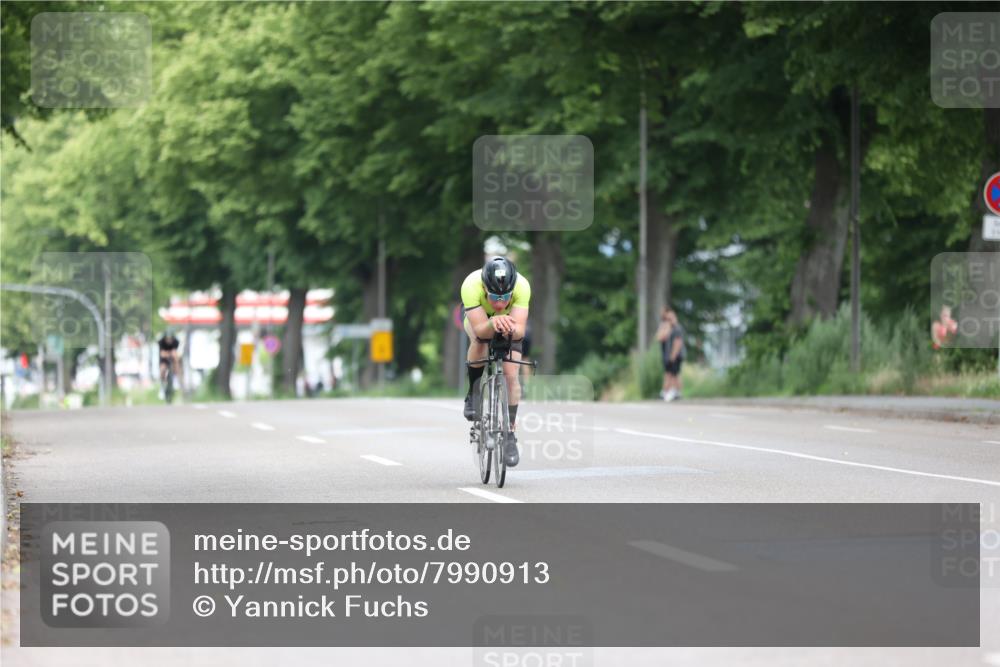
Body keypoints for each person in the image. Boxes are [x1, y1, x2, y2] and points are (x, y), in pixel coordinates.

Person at [461, 256, 531, 467]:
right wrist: (492, 322)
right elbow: (481, 330)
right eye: (494, 297)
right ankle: (474, 392)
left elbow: (520, 332)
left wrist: (509, 326)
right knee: (481, 342)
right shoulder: (471, 285)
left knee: (511, 375)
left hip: (510, 325)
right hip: (482, 322)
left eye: (505, 297)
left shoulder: (522, 286)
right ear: (484, 288)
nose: (500, 304)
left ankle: (510, 434)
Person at [656, 308, 684, 402]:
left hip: (675, 355)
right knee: (671, 373)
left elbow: (678, 343)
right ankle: (670, 391)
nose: (669, 320)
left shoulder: (677, 328)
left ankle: (675, 392)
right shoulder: (669, 328)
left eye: (670, 318)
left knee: (674, 374)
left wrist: (673, 356)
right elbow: (660, 338)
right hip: (669, 355)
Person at [157, 330, 181, 399]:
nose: (169, 340)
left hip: (172, 358)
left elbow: (175, 352)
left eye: (170, 339)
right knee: (162, 369)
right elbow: (162, 353)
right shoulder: (161, 342)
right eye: (167, 339)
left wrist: (173, 354)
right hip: (164, 359)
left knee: (176, 359)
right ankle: (162, 387)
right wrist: (169, 353)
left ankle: (175, 378)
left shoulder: (176, 341)